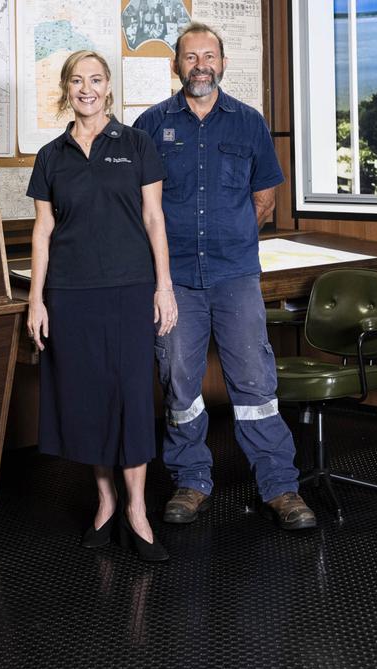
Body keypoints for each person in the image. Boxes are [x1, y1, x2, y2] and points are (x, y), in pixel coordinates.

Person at [133, 22, 317, 530]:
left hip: (235, 275)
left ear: (222, 62)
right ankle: (191, 481)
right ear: (176, 65)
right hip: (175, 282)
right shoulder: (150, 125)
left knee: (255, 382)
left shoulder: (249, 123)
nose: (200, 66)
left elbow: (264, 199)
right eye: (190, 57)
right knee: (178, 383)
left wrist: (226, 235)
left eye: (208, 56)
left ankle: (280, 487)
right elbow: (140, 205)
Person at [26, 49, 178, 561]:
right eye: (76, 80)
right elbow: (43, 230)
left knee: (132, 397)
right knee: (87, 400)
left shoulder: (137, 144)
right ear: (66, 89)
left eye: (95, 79)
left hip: (131, 289)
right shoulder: (52, 155)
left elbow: (155, 220)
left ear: (109, 86)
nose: (85, 88)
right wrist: (36, 301)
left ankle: (137, 508)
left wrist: (165, 287)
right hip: (70, 294)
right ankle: (106, 501)